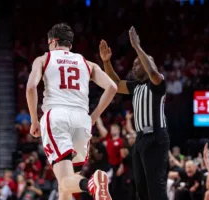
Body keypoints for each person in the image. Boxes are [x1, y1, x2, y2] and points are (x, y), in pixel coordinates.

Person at [26, 23, 117, 200]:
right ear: (70, 44)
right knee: (66, 183)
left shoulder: (44, 59)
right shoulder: (87, 63)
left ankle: (90, 184)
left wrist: (34, 121)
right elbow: (112, 87)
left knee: (66, 179)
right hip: (82, 120)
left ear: (53, 42)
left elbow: (30, 87)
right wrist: (93, 117)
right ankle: (90, 184)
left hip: (57, 116)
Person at [99, 26, 169, 200]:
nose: (134, 65)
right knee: (142, 189)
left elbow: (152, 71)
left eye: (138, 63)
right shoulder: (135, 86)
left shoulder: (157, 82)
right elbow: (115, 83)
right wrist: (107, 62)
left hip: (155, 137)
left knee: (155, 188)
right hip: (140, 139)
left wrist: (138, 47)